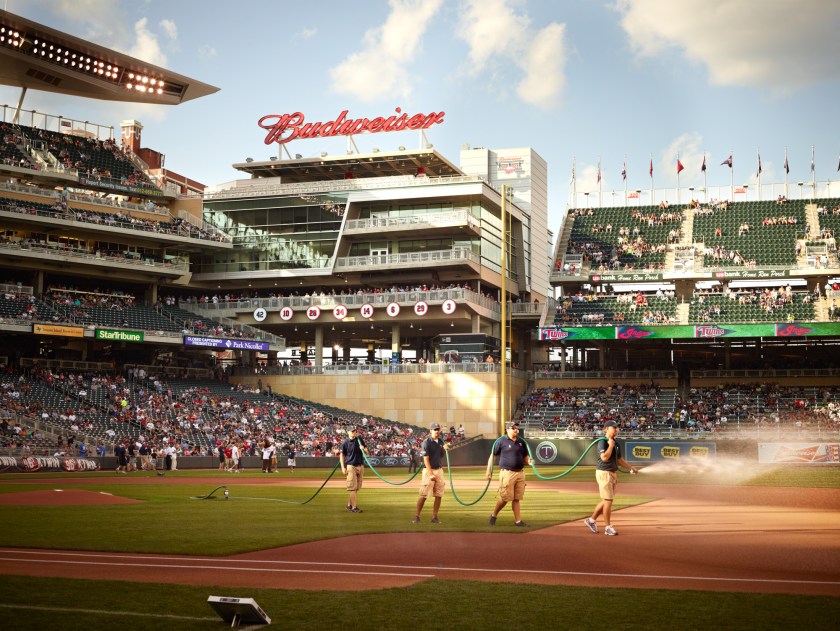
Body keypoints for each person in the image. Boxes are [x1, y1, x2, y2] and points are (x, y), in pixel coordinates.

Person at [585, 420, 637, 536]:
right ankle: (608, 527)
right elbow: (604, 457)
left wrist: (630, 467)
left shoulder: (616, 443)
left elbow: (620, 460)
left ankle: (591, 520)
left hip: (612, 473)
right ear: (607, 429)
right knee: (608, 500)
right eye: (614, 427)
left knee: (606, 500)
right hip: (604, 472)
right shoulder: (602, 442)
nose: (616, 429)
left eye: (616, 427)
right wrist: (611, 446)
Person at [485, 421, 530, 526]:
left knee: (517, 498)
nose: (516, 429)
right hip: (507, 473)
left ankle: (518, 521)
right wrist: (488, 470)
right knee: (505, 498)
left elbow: (526, 456)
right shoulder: (501, 441)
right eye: (513, 428)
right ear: (508, 429)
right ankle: (494, 514)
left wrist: (530, 461)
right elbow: (493, 456)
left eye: (516, 427)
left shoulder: (521, 441)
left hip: (520, 473)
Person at [412, 423, 446, 524]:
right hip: (428, 471)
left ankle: (434, 517)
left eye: (438, 430)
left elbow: (441, 455)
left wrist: (444, 448)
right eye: (435, 430)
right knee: (424, 494)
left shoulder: (440, 441)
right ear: (430, 431)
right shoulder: (426, 442)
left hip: (439, 470)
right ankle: (417, 516)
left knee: (439, 494)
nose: (436, 431)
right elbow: (426, 460)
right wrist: (431, 474)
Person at [340, 426, 366, 513]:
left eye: (355, 431)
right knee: (352, 488)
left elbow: (366, 450)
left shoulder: (359, 439)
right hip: (351, 466)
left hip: (360, 465)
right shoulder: (345, 442)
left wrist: (364, 449)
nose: (354, 432)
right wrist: (343, 467)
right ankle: (354, 507)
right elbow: (342, 455)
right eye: (352, 431)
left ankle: (349, 505)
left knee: (357, 488)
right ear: (348, 432)